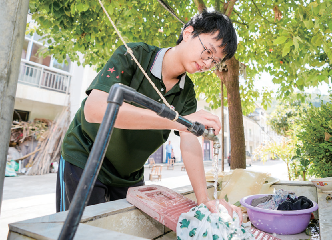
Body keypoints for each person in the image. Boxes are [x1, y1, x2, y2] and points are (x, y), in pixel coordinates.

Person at [56, 10, 241, 220]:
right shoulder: (134, 55)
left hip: (129, 175)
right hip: (84, 159)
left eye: (215, 62)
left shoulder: (186, 93)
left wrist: (203, 200)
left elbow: (189, 141)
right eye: (208, 51)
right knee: (80, 231)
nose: (207, 63)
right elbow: (94, 110)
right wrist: (176, 121)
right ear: (188, 33)